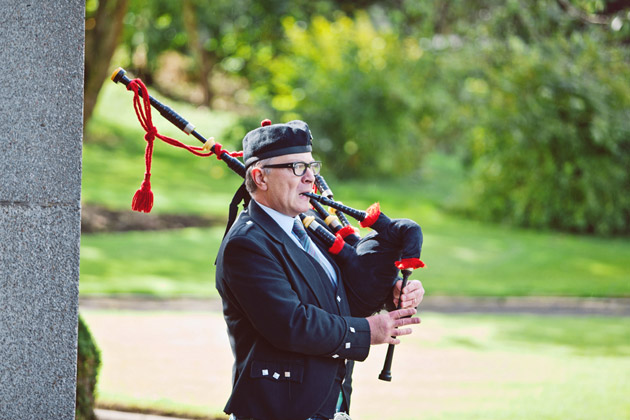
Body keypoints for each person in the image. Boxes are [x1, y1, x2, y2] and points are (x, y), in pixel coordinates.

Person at [215, 120, 424, 420]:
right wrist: (369, 330)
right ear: (260, 177)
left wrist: (390, 296)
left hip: (329, 406)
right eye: (297, 167)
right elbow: (292, 324)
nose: (310, 177)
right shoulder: (247, 245)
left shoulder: (309, 230)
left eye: (312, 166)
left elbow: (338, 301)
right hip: (275, 411)